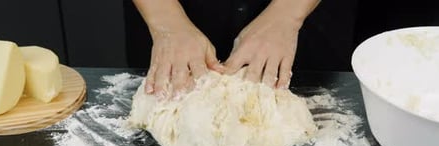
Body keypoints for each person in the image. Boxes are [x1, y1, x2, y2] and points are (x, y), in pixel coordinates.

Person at [126, 0, 321, 97]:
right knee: (167, 90)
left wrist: (288, 14)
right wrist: (165, 20)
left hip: (302, 15)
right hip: (166, 14)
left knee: (304, 90)